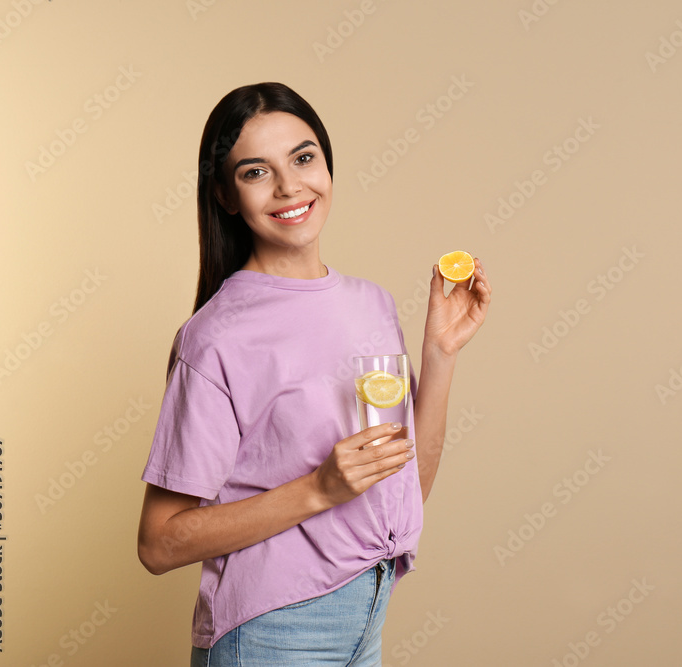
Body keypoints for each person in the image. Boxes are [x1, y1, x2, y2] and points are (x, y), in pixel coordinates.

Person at [136, 82, 490, 666]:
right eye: (256, 172)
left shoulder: (371, 304)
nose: (289, 186)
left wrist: (440, 355)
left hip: (367, 616)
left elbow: (406, 493)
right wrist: (318, 489)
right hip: (273, 632)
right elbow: (158, 543)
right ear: (226, 196)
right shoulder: (216, 336)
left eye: (303, 158)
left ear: (327, 165)